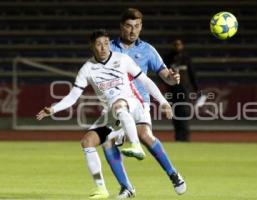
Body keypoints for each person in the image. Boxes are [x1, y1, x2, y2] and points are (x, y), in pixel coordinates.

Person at [36, 29, 173, 199]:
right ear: (92, 46)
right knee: (87, 142)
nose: (103, 48)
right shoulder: (87, 69)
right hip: (113, 112)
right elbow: (73, 96)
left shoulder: (122, 59)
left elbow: (145, 81)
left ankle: (136, 145)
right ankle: (101, 189)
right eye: (99, 44)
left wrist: (163, 102)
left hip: (131, 102)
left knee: (119, 106)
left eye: (106, 43)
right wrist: (54, 109)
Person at [100, 8, 187, 199]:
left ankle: (173, 174)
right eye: (129, 26)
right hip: (117, 103)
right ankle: (126, 187)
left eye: (137, 26)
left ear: (141, 27)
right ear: (121, 27)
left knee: (145, 135)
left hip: (140, 103)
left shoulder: (147, 50)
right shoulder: (109, 48)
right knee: (107, 141)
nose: (133, 31)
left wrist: (173, 78)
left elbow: (166, 76)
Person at [164, 39, 197, 141]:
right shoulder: (168, 58)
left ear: (182, 45)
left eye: (179, 44)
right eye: (175, 44)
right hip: (173, 91)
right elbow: (163, 74)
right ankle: (178, 137)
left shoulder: (186, 58)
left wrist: (195, 88)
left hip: (185, 91)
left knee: (184, 113)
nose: (177, 46)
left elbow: (192, 74)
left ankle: (185, 137)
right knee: (175, 114)